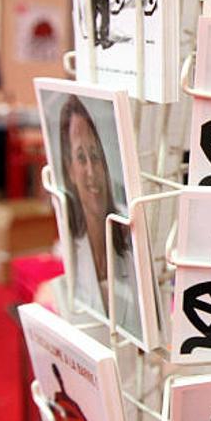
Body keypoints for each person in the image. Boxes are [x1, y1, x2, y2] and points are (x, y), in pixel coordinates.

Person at [59, 95, 139, 336]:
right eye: (81, 158)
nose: (92, 172)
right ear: (70, 170)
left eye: (96, 156)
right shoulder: (71, 241)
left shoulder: (131, 234)